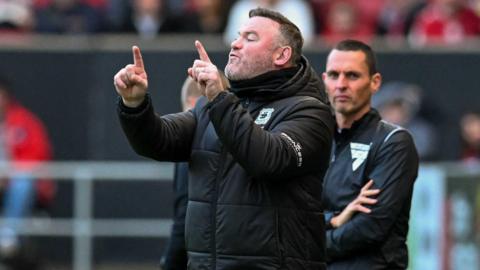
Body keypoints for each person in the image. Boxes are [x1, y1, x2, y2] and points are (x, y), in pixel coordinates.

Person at [114, 7, 334, 270]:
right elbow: (158, 140)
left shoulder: (309, 111)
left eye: (250, 38)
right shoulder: (214, 108)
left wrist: (220, 98)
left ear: (281, 55)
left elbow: (268, 160)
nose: (236, 43)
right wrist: (135, 104)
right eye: (238, 35)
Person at [321, 39, 419, 269]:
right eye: (334, 75)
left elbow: (370, 227)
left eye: (352, 76)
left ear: (375, 82)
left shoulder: (393, 142)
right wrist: (335, 218)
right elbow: (294, 214)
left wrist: (311, 247)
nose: (341, 84)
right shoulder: (316, 141)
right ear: (325, 81)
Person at [0, 74, 54, 269]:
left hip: (17, 186)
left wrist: (9, 174)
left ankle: (7, 238)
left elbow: (38, 157)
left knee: (23, 181)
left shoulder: (24, 122)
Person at [159, 77, 203, 270]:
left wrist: (169, 263)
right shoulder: (241, 137)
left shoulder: (194, 143)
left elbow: (184, 218)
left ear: (192, 104)